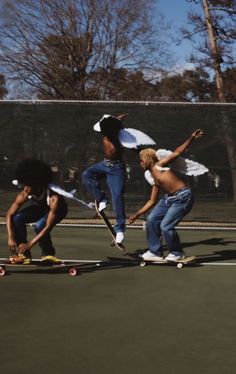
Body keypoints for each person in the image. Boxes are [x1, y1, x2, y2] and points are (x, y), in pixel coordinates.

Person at [129, 129, 204, 262]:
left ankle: (177, 253)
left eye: (141, 161)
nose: (140, 164)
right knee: (152, 219)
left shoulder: (159, 165)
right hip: (168, 199)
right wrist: (137, 214)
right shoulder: (153, 177)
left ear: (147, 159)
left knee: (165, 226)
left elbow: (178, 152)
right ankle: (154, 252)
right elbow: (152, 201)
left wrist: (191, 138)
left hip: (183, 197)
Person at [6, 159, 68, 264]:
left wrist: (30, 244)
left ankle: (48, 254)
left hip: (59, 210)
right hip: (41, 207)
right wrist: (11, 238)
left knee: (40, 225)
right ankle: (24, 255)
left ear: (37, 184)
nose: (25, 188)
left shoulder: (54, 197)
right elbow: (9, 215)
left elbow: (47, 226)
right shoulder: (25, 193)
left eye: (28, 185)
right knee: (17, 218)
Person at [82, 114, 127, 244]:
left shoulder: (120, 135)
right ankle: (102, 199)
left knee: (117, 196)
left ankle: (120, 229)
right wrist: (118, 118)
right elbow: (113, 122)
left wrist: (120, 120)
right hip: (104, 164)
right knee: (86, 175)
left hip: (116, 169)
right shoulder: (105, 130)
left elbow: (119, 126)